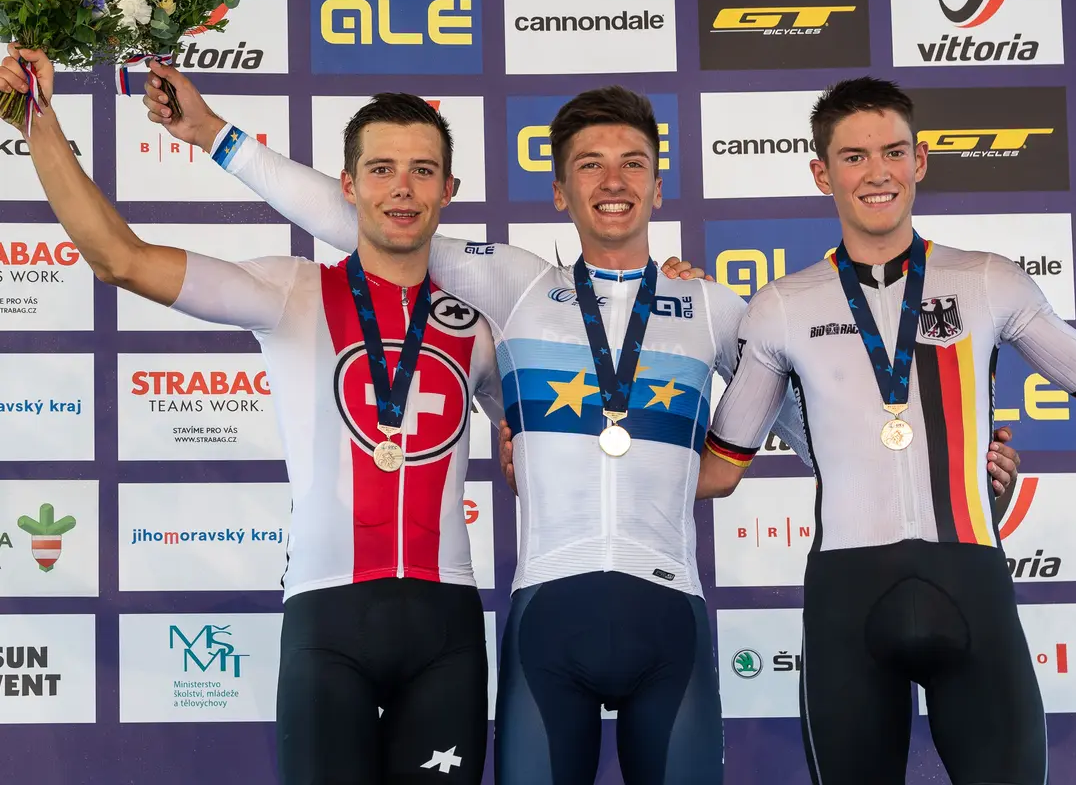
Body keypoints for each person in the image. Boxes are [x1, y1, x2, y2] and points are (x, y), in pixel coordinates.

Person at [141, 66, 1021, 784]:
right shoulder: (518, 285)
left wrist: (946, 453)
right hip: (546, 621)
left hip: (668, 616)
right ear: (560, 189)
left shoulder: (714, 306)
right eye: (591, 164)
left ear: (658, 182)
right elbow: (365, 220)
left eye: (633, 161)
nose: (613, 180)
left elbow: (816, 419)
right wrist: (219, 138)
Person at [696, 77, 1076, 785]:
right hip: (846, 605)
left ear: (922, 161)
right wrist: (559, 457)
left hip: (970, 586)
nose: (876, 172)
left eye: (893, 152)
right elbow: (720, 469)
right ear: (822, 174)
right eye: (853, 157)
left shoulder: (988, 282)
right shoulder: (781, 307)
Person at [1, 46, 501, 785]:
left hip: (448, 632)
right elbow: (119, 258)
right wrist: (33, 114)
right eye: (382, 169)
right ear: (348, 187)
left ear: (449, 189)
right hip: (329, 627)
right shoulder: (288, 291)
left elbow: (549, 425)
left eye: (423, 170)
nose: (403, 188)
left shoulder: (479, 329)